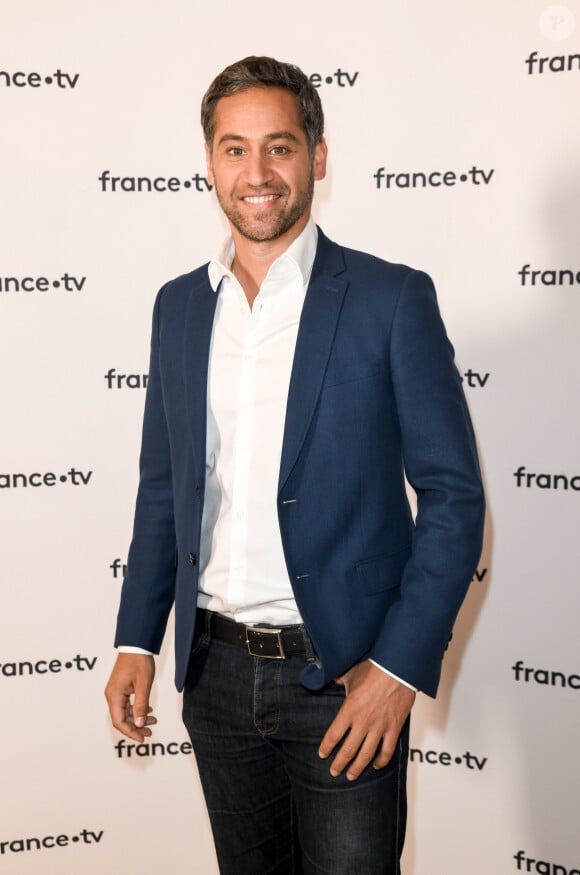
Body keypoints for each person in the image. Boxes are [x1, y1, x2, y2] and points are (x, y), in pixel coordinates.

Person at [105, 56, 485, 874]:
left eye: (279, 146)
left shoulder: (390, 298)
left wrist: (397, 670)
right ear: (209, 162)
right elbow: (164, 486)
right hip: (213, 678)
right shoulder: (178, 305)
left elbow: (454, 497)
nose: (257, 172)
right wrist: (137, 638)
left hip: (345, 678)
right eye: (235, 149)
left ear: (318, 156)